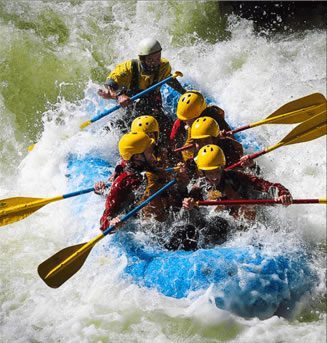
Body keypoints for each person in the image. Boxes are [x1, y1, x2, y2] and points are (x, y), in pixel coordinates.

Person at [94, 131, 188, 233]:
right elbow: (104, 221)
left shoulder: (154, 168)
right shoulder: (123, 182)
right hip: (146, 229)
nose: (153, 155)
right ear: (137, 157)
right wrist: (111, 224)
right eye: (149, 152)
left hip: (169, 219)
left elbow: (177, 192)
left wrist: (182, 179)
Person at [98, 37, 186, 140]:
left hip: (153, 109)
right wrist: (119, 95)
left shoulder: (163, 66)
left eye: (158, 58)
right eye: (150, 60)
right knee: (117, 131)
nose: (155, 63)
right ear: (141, 59)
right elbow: (106, 87)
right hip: (131, 111)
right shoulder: (127, 68)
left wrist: (184, 92)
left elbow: (169, 78)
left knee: (169, 129)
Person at [183, 144, 293, 222]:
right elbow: (186, 209)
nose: (215, 176)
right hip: (225, 226)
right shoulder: (199, 188)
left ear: (222, 167)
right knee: (217, 223)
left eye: (217, 171)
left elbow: (266, 185)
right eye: (210, 173)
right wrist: (188, 205)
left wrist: (282, 194)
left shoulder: (237, 177)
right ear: (202, 172)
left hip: (248, 223)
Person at [169, 90, 233, 162]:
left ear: (198, 116)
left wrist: (221, 136)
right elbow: (172, 142)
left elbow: (230, 136)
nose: (184, 121)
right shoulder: (182, 119)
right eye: (183, 118)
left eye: (187, 119)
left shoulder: (214, 118)